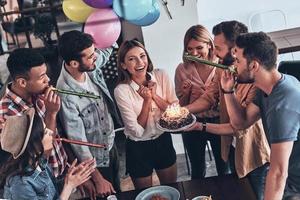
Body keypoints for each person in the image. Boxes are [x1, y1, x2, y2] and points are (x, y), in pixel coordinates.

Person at [185, 21, 270, 200]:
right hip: (230, 147)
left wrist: (199, 126)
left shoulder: (257, 81)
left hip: (254, 155)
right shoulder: (222, 70)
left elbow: (238, 125)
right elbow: (209, 98)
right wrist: (182, 111)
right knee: (237, 193)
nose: (213, 53)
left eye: (218, 48)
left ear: (235, 50)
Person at [220, 32, 300, 200]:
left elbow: (278, 173)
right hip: (288, 178)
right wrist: (228, 90)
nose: (234, 66)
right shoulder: (265, 89)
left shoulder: (281, 104)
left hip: (294, 184)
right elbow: (241, 122)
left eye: (238, 61)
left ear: (254, 65)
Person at [56, 30, 122, 199]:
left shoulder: (89, 63)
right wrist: (97, 178)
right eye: (91, 56)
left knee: (118, 193)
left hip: (111, 145)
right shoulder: (66, 95)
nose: (95, 57)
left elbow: (104, 53)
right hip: (96, 161)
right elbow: (79, 143)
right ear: (74, 63)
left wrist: (112, 37)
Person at [114, 39, 177, 189]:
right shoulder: (121, 90)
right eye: (131, 59)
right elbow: (137, 131)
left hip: (163, 141)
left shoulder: (161, 75)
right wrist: (147, 101)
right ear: (123, 65)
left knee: (172, 190)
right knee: (146, 195)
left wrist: (155, 96)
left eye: (142, 56)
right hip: (138, 149)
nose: (139, 62)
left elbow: (175, 114)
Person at [0, 107, 96, 200]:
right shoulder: (20, 185)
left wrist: (70, 178)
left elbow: (51, 193)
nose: (51, 132)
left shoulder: (40, 162)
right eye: (45, 132)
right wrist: (69, 187)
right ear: (35, 145)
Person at [0, 48, 68, 178]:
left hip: (64, 170)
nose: (48, 80)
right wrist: (51, 114)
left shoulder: (38, 95)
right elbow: (40, 157)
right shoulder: (10, 115)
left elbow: (59, 137)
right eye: (42, 77)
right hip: (45, 183)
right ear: (22, 82)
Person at [175, 24, 228, 178]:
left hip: (219, 122)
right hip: (193, 123)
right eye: (189, 49)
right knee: (197, 168)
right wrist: (186, 93)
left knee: (224, 167)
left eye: (199, 48)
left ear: (210, 45)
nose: (194, 53)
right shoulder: (182, 69)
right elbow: (183, 104)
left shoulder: (221, 65)